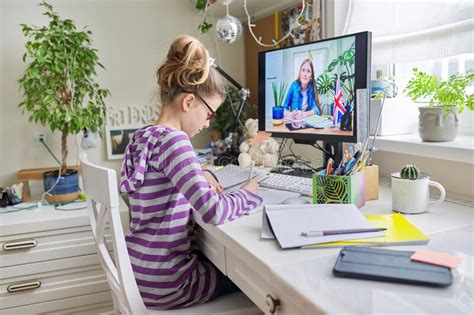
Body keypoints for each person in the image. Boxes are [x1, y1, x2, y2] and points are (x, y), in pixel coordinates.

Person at [119, 35, 262, 310]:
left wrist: (200, 173)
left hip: (141, 273)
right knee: (252, 276)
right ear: (188, 102)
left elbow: (159, 182)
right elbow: (213, 212)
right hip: (172, 283)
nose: (208, 123)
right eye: (209, 113)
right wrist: (248, 195)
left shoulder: (143, 137)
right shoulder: (176, 141)